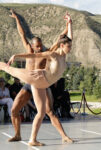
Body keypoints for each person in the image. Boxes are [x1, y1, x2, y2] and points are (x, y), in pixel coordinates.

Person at [4, 10, 73, 146]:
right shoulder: (29, 50)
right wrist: (17, 18)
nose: (40, 48)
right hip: (28, 84)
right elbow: (22, 34)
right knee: (14, 110)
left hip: (41, 83)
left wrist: (67, 26)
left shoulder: (47, 52)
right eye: (37, 46)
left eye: (41, 45)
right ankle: (17, 135)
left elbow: (60, 39)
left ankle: (64, 136)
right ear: (33, 46)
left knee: (49, 111)